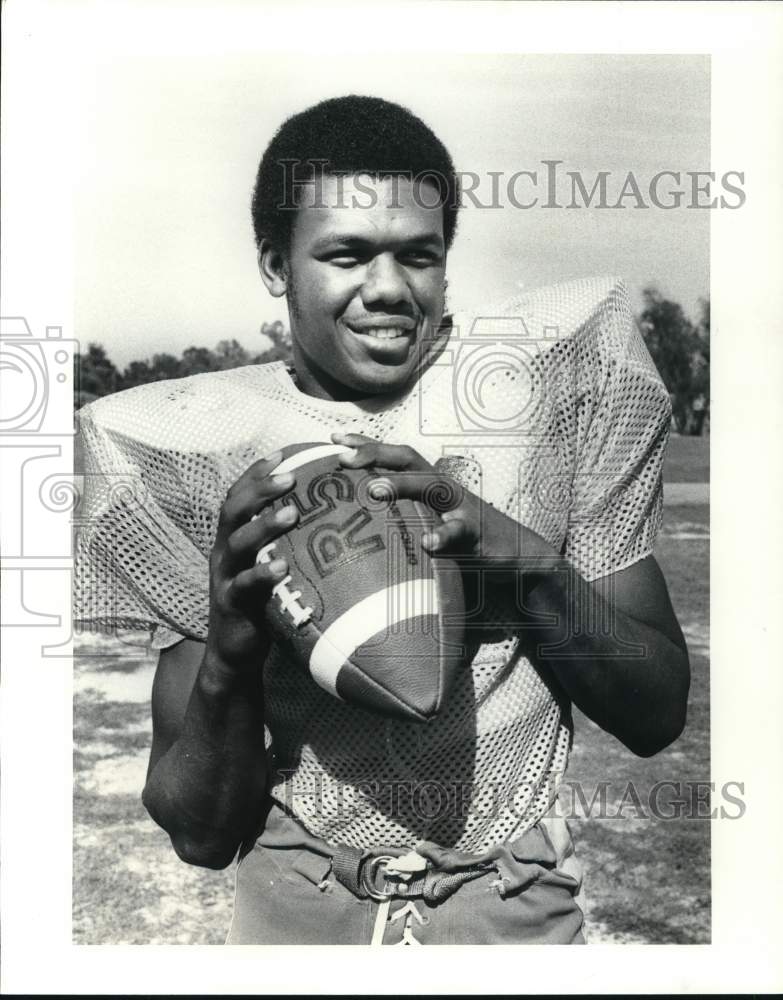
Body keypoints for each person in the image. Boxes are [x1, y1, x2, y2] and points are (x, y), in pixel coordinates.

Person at [75, 95, 690, 945]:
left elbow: (656, 715)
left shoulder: (541, 393)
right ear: (274, 263)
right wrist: (230, 648)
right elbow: (199, 834)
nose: (389, 288)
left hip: (510, 906)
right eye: (347, 254)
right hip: (299, 901)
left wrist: (523, 563)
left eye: (417, 255)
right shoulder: (218, 453)